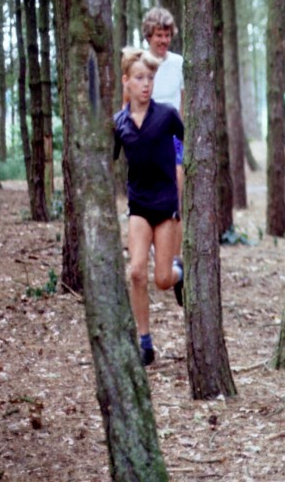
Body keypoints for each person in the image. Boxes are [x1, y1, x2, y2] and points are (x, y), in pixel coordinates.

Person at [113, 48, 186, 366]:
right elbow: (107, 160)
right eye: (139, 78)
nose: (146, 84)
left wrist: (181, 176)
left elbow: (187, 145)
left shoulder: (167, 115)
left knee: (162, 279)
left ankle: (180, 273)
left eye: (150, 78)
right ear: (126, 82)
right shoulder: (119, 123)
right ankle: (144, 343)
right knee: (136, 272)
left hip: (166, 205)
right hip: (139, 205)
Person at [141, 7, 185, 201]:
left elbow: (183, 101)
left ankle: (175, 214)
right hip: (146, 134)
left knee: (176, 179)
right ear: (149, 36)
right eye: (159, 35)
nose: (164, 40)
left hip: (173, 134)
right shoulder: (139, 62)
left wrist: (183, 134)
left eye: (167, 35)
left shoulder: (179, 62)